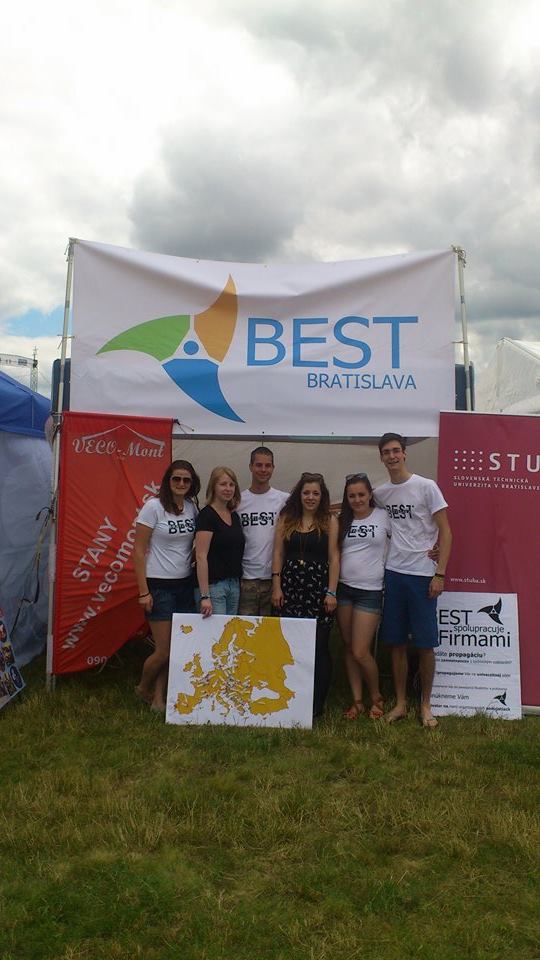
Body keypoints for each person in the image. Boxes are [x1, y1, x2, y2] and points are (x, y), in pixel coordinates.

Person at [374, 432, 452, 727]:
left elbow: (446, 531)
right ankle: (401, 703)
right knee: (395, 643)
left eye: (396, 450)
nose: (392, 456)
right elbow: (358, 508)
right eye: (386, 452)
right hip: (394, 574)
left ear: (404, 453)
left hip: (422, 575)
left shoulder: (426, 486)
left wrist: (440, 573)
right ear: (381, 457)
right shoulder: (381, 493)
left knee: (425, 644)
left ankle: (426, 705)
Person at [134, 459, 200, 713]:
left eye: (186, 480)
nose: (181, 483)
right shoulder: (153, 507)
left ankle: (159, 698)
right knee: (163, 650)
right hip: (159, 586)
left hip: (185, 584)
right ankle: (143, 687)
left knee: (176, 648)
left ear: (192, 483)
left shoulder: (191, 507)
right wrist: (144, 592)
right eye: (176, 479)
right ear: (168, 481)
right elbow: (138, 551)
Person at [272, 472, 339, 718]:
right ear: (299, 495)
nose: (310, 497)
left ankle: (316, 704)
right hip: (289, 589)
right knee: (289, 646)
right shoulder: (286, 518)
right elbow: (278, 553)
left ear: (322, 497)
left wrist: (331, 591)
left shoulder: (329, 520)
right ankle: (290, 697)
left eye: (315, 493)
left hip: (318, 590)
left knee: (319, 646)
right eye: (306, 492)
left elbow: (334, 558)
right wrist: (276, 585)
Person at [337, 473, 391, 720]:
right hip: (344, 589)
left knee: (361, 650)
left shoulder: (383, 516)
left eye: (361, 494)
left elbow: (409, 535)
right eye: (352, 496)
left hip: (370, 591)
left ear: (370, 494)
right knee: (349, 648)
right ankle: (357, 700)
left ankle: (376, 696)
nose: (357, 500)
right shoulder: (342, 520)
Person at [237, 446, 288, 616]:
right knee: (245, 629)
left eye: (268, 465)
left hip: (274, 579)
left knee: (271, 630)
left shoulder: (284, 500)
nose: (263, 469)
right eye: (259, 465)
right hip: (246, 580)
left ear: (273, 468)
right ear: (250, 467)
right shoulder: (238, 501)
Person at [195, 467, 245, 617]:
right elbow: (200, 556)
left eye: (231, 484)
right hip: (213, 587)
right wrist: (205, 596)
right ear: (213, 487)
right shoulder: (207, 516)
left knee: (229, 630)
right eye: (223, 484)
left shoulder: (234, 516)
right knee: (215, 630)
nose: (228, 489)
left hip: (233, 585)